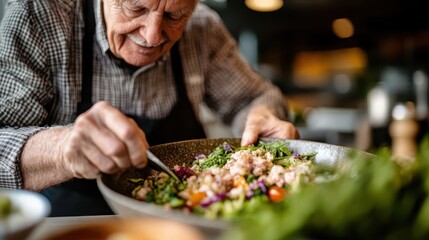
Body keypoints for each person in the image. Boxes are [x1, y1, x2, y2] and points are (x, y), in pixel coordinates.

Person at [0, 0, 299, 216]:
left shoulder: (203, 29)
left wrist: (263, 115)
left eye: (174, 15)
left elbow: (256, 99)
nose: (152, 35)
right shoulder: (38, 16)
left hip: (182, 228)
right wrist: (61, 148)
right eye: (136, 9)